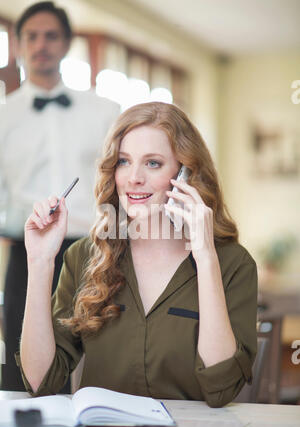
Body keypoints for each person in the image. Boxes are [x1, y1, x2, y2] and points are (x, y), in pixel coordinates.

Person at [18, 101, 258, 408]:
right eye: (123, 162)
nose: (134, 178)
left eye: (153, 163)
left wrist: (205, 256)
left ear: (186, 174)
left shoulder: (232, 264)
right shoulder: (83, 256)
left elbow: (221, 388)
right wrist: (39, 262)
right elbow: (41, 382)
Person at [0, 1, 120, 391]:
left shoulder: (105, 112)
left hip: (93, 253)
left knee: (102, 366)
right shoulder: (3, 117)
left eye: (51, 35)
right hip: (26, 251)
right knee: (25, 373)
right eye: (31, 36)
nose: (41, 44)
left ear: (67, 43)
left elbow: (119, 185)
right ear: (17, 44)